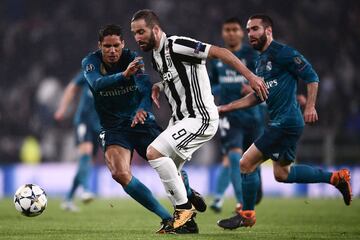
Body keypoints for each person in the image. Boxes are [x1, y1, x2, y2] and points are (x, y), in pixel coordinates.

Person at [130, 9, 268, 233]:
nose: (137, 38)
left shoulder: (177, 45)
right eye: (134, 33)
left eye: (141, 32)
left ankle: (183, 212)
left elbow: (221, 52)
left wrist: (250, 77)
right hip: (180, 120)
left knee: (154, 152)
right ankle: (189, 213)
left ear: (155, 29)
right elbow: (175, 77)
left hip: (200, 117)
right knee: (169, 170)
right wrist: (159, 85)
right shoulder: (156, 56)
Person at [217, 14, 352, 229]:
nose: (250, 34)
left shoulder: (282, 52)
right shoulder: (261, 61)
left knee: (245, 162)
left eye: (255, 29)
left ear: (268, 31)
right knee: (282, 174)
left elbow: (312, 76)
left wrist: (310, 106)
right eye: (249, 30)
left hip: (286, 122)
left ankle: (247, 214)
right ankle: (337, 178)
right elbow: (258, 96)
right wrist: (226, 107)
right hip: (284, 122)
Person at [81, 24, 205, 234]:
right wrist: (124, 75)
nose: (112, 51)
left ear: (123, 44)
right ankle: (169, 218)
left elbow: (146, 86)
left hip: (140, 123)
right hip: (114, 128)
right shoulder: (91, 62)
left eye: (116, 46)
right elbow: (97, 85)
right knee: (119, 173)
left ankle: (187, 192)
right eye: (107, 46)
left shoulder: (132, 58)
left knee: (169, 167)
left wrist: (142, 109)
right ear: (99, 46)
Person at [209, 17, 264, 213]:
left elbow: (263, 80)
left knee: (253, 161)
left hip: (252, 116)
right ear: (223, 33)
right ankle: (241, 202)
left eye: (234, 29)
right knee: (233, 156)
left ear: (241, 32)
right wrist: (221, 90)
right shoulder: (217, 59)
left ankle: (253, 191)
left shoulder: (252, 56)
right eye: (227, 30)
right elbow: (210, 84)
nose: (231, 33)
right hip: (228, 116)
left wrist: (251, 88)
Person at [54, 72, 101, 211]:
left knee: (87, 164)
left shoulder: (114, 75)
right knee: (85, 151)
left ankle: (68, 198)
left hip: (99, 125)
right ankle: (86, 190)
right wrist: (62, 108)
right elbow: (72, 87)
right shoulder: (90, 70)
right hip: (84, 120)